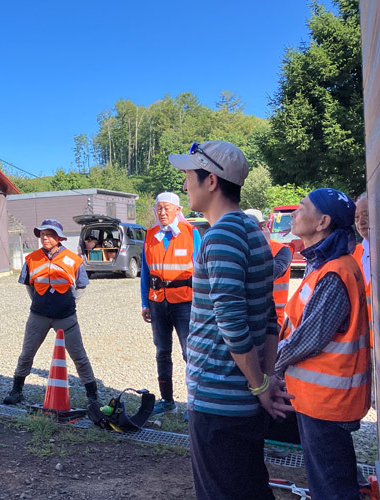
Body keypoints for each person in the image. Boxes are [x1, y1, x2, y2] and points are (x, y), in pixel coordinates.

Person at [170, 140, 293, 499]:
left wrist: (260, 385)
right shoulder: (252, 231)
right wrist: (265, 382)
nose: (184, 184)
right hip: (241, 399)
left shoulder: (221, 236)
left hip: (218, 401)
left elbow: (231, 321)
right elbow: (269, 315)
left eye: (189, 175)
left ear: (212, 182)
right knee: (249, 487)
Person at [275, 188, 370, 499]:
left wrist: (269, 367)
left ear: (323, 222)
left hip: (327, 401)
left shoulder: (335, 271)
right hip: (318, 398)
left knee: (332, 488)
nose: (294, 213)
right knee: (330, 479)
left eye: (302, 208)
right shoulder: (325, 265)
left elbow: (309, 338)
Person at [3, 219, 100, 409]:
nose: (45, 238)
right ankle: (16, 390)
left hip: (66, 316)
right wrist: (38, 302)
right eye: (42, 234)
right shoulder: (31, 259)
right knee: (27, 353)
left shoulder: (73, 259)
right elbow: (29, 286)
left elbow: (81, 286)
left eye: (49, 234)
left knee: (79, 356)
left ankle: (93, 396)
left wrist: (71, 303)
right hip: (38, 315)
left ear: (59, 237)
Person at [140, 192, 201, 415]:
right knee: (162, 352)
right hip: (157, 303)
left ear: (178, 210)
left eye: (167, 208)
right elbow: (146, 272)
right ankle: (167, 401)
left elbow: (202, 270)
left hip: (185, 302)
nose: (162, 212)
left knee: (190, 353)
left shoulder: (191, 233)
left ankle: (193, 403)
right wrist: (144, 302)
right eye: (159, 208)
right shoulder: (150, 235)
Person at [245, 208, 293, 328]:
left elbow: (272, 273)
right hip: (244, 316)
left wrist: (264, 247)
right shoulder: (239, 249)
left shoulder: (282, 250)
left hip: (272, 319)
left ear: (263, 228)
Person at [352, 192, 372, 337]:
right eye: (357, 218)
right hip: (363, 344)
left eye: (367, 215)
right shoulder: (354, 254)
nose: (361, 222)